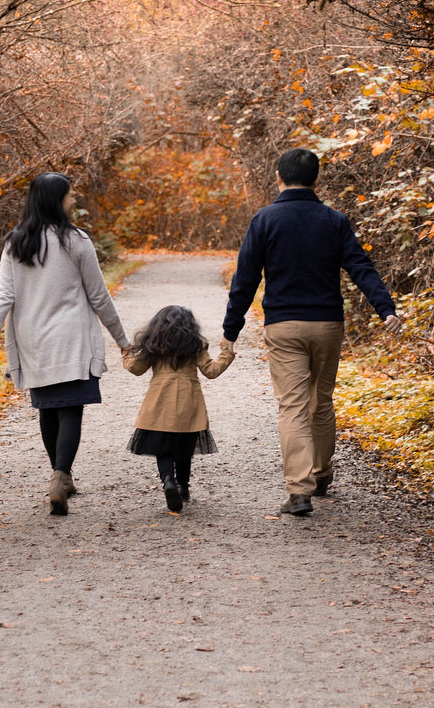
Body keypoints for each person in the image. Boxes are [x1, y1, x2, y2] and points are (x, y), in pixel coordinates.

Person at [222, 148, 402, 517]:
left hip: (284, 326)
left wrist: (231, 330)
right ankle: (321, 475)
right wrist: (385, 309)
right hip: (327, 325)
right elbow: (360, 265)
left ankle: (299, 492)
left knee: (292, 407)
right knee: (320, 400)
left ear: (278, 177)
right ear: (316, 179)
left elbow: (245, 280)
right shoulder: (333, 220)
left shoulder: (265, 219)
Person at [0, 172, 130, 516]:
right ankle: (61, 475)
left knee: (48, 408)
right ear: (54, 200)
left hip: (35, 342)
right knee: (70, 408)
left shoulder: (16, 242)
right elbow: (98, 296)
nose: (74, 200)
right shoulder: (76, 241)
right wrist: (121, 339)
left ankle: (61, 476)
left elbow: (4, 295)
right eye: (69, 195)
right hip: (71, 339)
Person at [122, 305, 234, 512]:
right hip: (188, 400)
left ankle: (168, 481)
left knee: (161, 446)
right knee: (185, 445)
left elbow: (136, 368)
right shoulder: (196, 345)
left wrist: (126, 352)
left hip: (160, 400)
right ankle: (183, 486)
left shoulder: (153, 345)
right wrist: (227, 352)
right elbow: (212, 371)